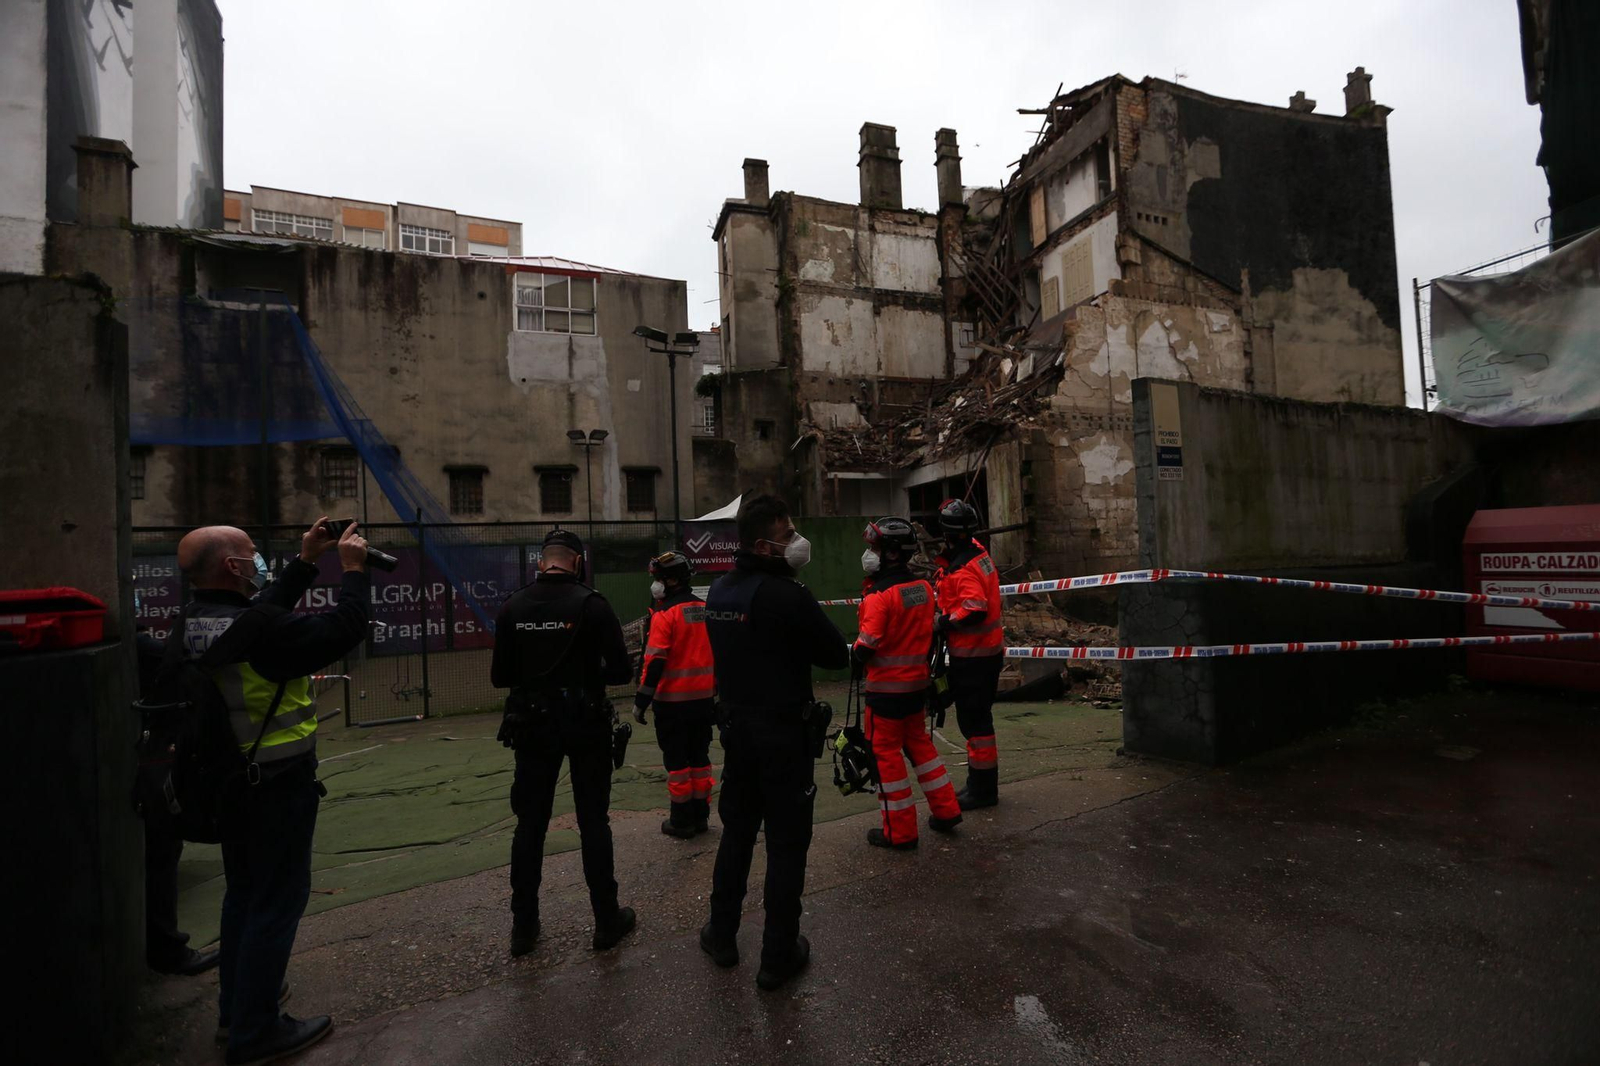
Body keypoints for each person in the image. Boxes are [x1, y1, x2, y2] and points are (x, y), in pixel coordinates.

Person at [175, 517, 370, 1066]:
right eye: (253, 554)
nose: (260, 561)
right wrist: (352, 570)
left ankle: (236, 1012)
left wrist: (307, 560)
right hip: (275, 784)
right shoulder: (264, 635)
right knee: (277, 902)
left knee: (243, 896)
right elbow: (345, 627)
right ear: (235, 567)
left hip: (228, 784)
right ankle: (256, 1033)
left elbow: (261, 612)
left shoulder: (196, 619)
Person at [700, 494, 849, 990]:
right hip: (783, 737)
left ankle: (721, 935)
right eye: (788, 534)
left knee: (737, 834)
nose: (798, 542)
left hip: (737, 735)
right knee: (786, 845)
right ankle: (777, 954)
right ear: (763, 544)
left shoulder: (719, 592)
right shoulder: (788, 595)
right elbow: (833, 654)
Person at [491, 529, 636, 958]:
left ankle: (524, 928)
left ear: (542, 561)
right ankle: (606, 922)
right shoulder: (592, 604)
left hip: (532, 726)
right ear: (577, 561)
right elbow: (621, 672)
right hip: (585, 723)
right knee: (594, 820)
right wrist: (583, 675)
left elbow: (501, 677)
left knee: (529, 825)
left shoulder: (513, 606)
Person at [852, 518, 962, 849]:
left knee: (886, 757)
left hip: (885, 694)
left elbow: (867, 645)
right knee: (922, 749)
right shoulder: (923, 589)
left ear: (891, 554)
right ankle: (946, 811)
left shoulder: (879, 597)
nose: (869, 554)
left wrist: (854, 655)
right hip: (917, 687)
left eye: (874, 549)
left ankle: (899, 832)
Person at [135, 624, 221, 977]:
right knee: (161, 850)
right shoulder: (146, 649)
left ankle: (165, 945)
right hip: (152, 762)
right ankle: (167, 948)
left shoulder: (146, 647)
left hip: (147, 757)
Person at [633, 551, 717, 838]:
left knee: (678, 764)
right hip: (704, 701)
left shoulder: (665, 614)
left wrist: (641, 702)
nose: (655, 584)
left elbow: (654, 661)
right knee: (700, 759)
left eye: (658, 579)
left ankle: (681, 821)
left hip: (672, 704)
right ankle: (701, 816)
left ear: (670, 580)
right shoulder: (706, 609)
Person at [933, 499, 1005, 810]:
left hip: (974, 657)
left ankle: (983, 790)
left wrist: (943, 621)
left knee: (974, 724)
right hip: (987, 654)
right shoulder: (978, 551)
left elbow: (975, 608)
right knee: (979, 722)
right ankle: (980, 784)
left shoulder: (963, 568)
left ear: (946, 533)